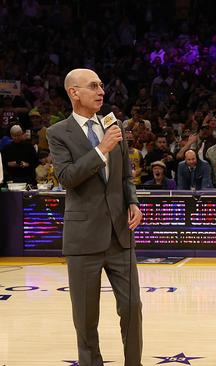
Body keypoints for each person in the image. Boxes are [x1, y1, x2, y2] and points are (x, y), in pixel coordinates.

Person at [47, 68, 143, 366]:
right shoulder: (58, 133)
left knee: (132, 308)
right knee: (86, 320)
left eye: (102, 86)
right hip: (83, 239)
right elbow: (67, 177)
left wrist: (134, 201)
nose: (101, 91)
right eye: (93, 86)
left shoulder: (113, 126)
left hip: (120, 235)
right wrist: (102, 149)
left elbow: (126, 176)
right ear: (74, 92)